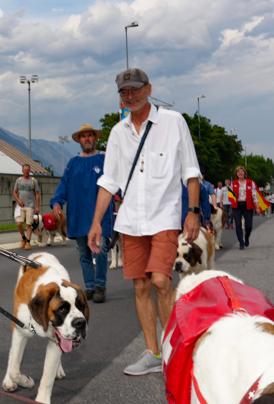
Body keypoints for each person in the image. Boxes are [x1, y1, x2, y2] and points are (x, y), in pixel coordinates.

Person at [88, 68, 201, 377]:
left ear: (148, 89)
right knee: (141, 285)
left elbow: (191, 170)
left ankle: (175, 350)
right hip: (131, 221)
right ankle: (153, 353)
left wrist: (193, 210)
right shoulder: (117, 132)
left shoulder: (173, 122)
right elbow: (109, 181)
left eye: (135, 89)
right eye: (124, 92)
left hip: (164, 215)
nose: (130, 95)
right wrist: (97, 222)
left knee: (161, 280)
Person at [50, 123, 114, 303]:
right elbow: (63, 185)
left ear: (95, 138)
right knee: (84, 255)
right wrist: (57, 202)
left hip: (99, 217)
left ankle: (101, 285)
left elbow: (115, 181)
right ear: (79, 140)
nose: (87, 139)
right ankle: (90, 287)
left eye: (90, 136)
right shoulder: (73, 163)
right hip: (78, 216)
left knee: (100, 251)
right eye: (83, 136)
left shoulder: (104, 159)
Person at [229, 165, 259, 249]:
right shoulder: (233, 183)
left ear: (244, 173)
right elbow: (230, 195)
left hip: (248, 205)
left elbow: (254, 195)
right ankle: (241, 242)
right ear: (236, 174)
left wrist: (257, 207)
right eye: (238, 172)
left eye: (241, 171)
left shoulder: (250, 182)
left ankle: (246, 238)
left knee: (248, 225)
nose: (240, 173)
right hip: (237, 206)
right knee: (238, 224)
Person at [14, 163, 41, 250]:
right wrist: (18, 200)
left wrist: (37, 206)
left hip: (30, 205)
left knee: (28, 224)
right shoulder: (18, 180)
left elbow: (37, 194)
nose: (26, 171)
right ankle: (23, 238)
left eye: (28, 170)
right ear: (22, 171)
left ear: (30, 171)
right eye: (25, 170)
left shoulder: (34, 181)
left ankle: (28, 242)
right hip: (20, 206)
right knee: (19, 223)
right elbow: (14, 192)